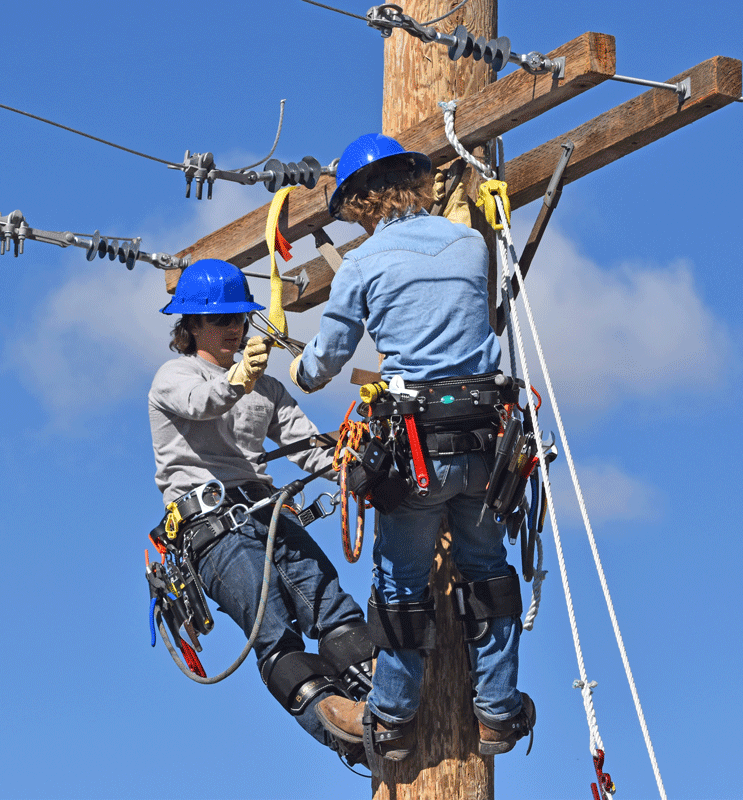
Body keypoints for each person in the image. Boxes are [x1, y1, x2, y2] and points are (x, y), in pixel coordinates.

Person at [289, 133, 534, 763]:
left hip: (413, 452)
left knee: (401, 587)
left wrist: (298, 370)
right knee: (490, 576)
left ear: (365, 201)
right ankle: (499, 714)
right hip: (486, 444)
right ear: (417, 181)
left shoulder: (366, 264)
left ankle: (394, 721)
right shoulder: (470, 242)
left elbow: (326, 361)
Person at [148, 258, 375, 765]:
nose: (234, 328)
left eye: (240, 318)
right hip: (212, 529)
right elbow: (203, 402)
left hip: (268, 512)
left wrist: (356, 464)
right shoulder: (174, 376)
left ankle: (386, 699)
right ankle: (342, 729)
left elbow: (310, 447)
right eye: (220, 319)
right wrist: (237, 380)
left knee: (334, 608)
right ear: (191, 326)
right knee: (275, 631)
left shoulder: (266, 389)